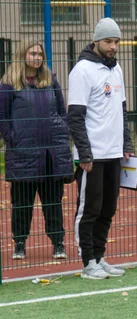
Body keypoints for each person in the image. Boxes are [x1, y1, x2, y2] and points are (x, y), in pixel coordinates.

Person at [68, 18, 135, 280]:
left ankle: (99, 257)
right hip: (92, 156)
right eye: (108, 41)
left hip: (114, 153)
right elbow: (75, 116)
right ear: (96, 40)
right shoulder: (82, 70)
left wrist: (126, 144)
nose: (113, 46)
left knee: (108, 208)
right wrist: (84, 154)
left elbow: (122, 110)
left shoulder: (116, 69)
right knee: (90, 209)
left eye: (117, 42)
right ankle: (87, 263)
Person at [0, 39, 73, 260]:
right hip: (23, 154)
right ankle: (19, 243)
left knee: (53, 201)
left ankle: (58, 242)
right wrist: (12, 138)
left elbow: (62, 110)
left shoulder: (50, 81)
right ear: (23, 55)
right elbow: (2, 117)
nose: (37, 57)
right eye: (33, 53)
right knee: (21, 203)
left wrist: (62, 130)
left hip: (51, 153)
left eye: (40, 54)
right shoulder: (8, 84)